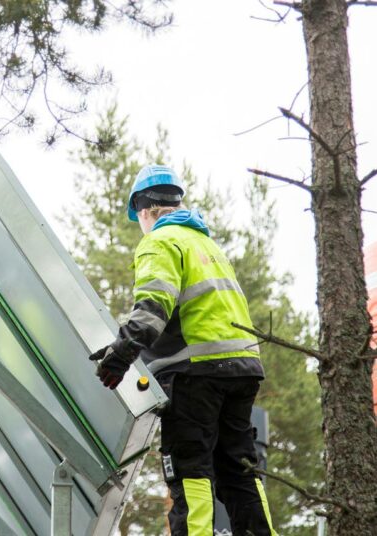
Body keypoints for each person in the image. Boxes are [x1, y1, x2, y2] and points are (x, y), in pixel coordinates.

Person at [87, 165, 277, 535]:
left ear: (144, 210)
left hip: (196, 375)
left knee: (190, 471)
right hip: (243, 370)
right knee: (241, 473)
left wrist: (121, 354)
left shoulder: (160, 241)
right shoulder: (206, 244)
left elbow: (153, 307)